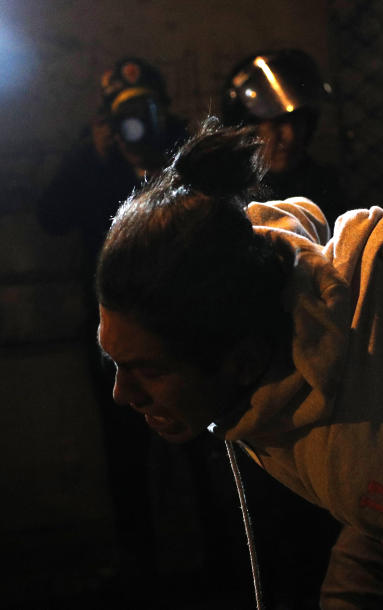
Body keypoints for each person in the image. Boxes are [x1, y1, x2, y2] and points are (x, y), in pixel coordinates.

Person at [93, 118, 383, 603]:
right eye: (116, 361)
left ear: (245, 362)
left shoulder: (375, 456)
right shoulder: (260, 255)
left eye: (150, 369)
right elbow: (290, 217)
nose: (122, 394)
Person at [35, 56, 188, 589]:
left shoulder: (182, 147)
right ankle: (138, 559)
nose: (135, 123)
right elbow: (50, 217)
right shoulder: (94, 157)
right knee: (123, 450)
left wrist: (162, 162)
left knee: (198, 447)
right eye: (123, 113)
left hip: (184, 326)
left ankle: (211, 555)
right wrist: (90, 158)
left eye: (143, 109)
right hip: (112, 335)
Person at [222, 48, 346, 218]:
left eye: (298, 122)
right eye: (276, 124)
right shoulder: (228, 198)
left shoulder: (324, 187)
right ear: (246, 131)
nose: (290, 136)